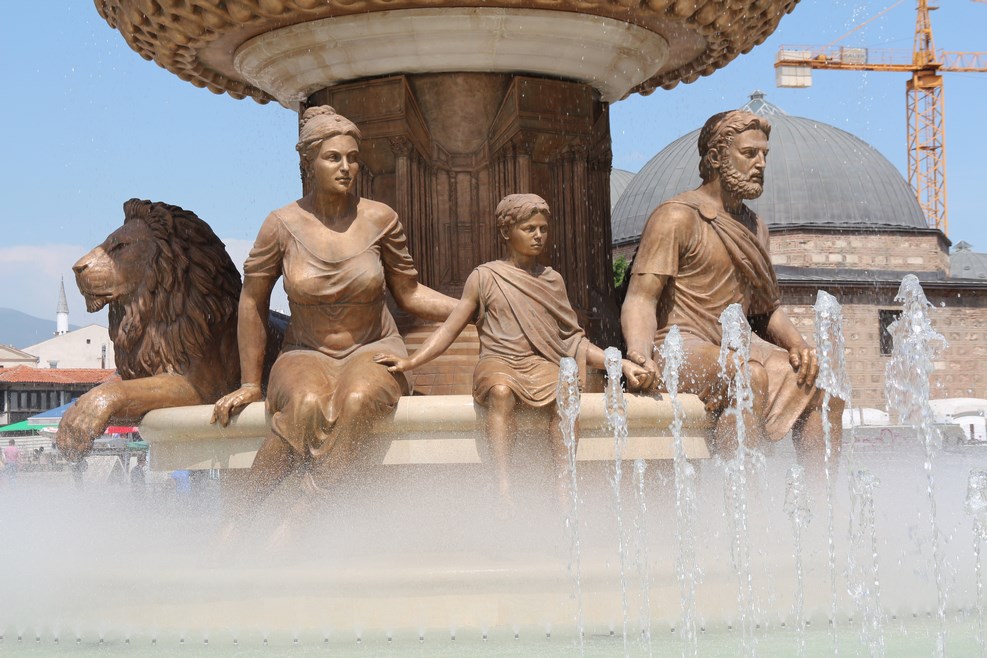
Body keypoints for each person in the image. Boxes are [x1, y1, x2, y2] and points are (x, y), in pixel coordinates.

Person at [211, 106, 457, 527]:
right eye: (333, 157)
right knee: (306, 405)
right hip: (305, 352)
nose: (346, 167)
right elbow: (251, 300)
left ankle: (301, 514)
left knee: (358, 400)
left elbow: (410, 293)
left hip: (373, 347)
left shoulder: (380, 219)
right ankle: (236, 520)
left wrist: (472, 307)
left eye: (353, 158)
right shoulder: (281, 225)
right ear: (309, 163)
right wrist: (251, 383)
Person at [375, 193, 648, 509]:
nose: (538, 236)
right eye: (529, 228)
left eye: (543, 229)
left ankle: (565, 484)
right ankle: (502, 487)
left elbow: (573, 341)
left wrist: (619, 362)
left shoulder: (553, 280)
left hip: (539, 364)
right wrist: (411, 361)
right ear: (506, 232)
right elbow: (450, 328)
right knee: (501, 392)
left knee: (567, 391)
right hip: (498, 363)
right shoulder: (484, 277)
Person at [621, 110, 844, 465]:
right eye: (749, 153)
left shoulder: (755, 227)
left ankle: (824, 497)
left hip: (736, 346)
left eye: (764, 154)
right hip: (680, 348)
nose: (761, 164)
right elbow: (640, 299)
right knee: (745, 375)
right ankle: (742, 495)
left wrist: (799, 345)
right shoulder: (676, 217)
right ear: (715, 158)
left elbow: (764, 310)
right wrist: (639, 354)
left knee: (823, 382)